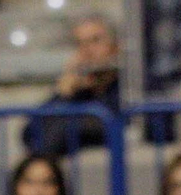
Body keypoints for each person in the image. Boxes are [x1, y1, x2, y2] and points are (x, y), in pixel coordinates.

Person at [21, 13, 121, 155]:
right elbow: (29, 133)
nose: (88, 50)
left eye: (95, 40)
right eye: (80, 44)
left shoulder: (128, 87)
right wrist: (63, 94)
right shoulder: (75, 91)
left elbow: (111, 125)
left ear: (116, 46)